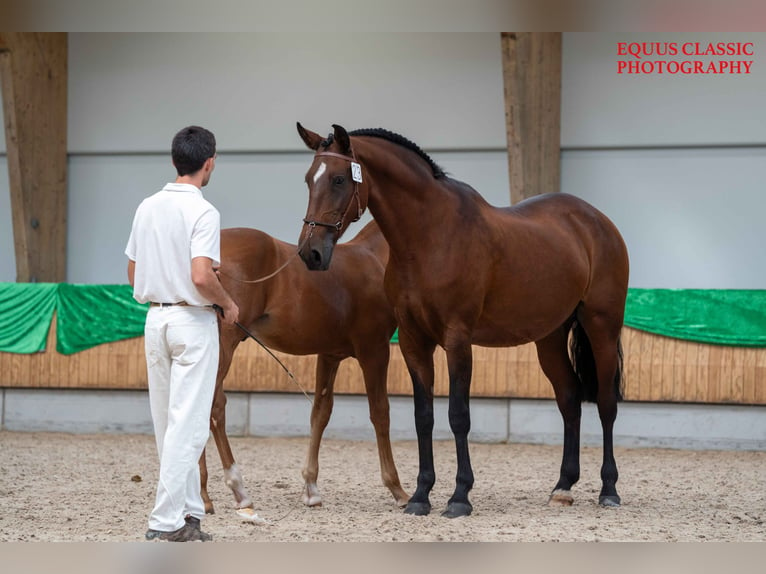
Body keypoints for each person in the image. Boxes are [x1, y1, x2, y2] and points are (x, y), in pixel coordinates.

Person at [125, 125, 240, 542]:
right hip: (191, 323)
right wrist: (227, 302)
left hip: (155, 320)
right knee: (188, 426)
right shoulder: (204, 211)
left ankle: (190, 515)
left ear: (176, 161)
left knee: (167, 424)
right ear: (209, 163)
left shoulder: (147, 206)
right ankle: (163, 522)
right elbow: (199, 275)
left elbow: (133, 271)